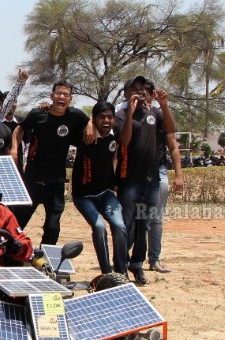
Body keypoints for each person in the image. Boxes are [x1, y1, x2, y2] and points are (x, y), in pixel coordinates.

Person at [12, 81, 90, 245]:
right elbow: (20, 129)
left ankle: (45, 259)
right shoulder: (38, 114)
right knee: (18, 223)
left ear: (70, 99)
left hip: (56, 183)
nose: (61, 96)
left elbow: (89, 120)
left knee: (53, 226)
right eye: (58, 93)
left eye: (66, 94)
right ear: (51, 96)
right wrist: (14, 149)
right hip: (33, 180)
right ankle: (8, 255)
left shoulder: (75, 116)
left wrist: (90, 124)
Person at [115, 75, 172, 285]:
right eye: (134, 89)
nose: (138, 92)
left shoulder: (153, 113)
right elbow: (124, 140)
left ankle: (137, 264)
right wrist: (130, 114)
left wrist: (164, 105)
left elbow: (170, 129)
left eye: (141, 88)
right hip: (129, 180)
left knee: (143, 225)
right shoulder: (121, 115)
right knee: (126, 225)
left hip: (151, 180)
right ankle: (121, 266)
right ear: (126, 93)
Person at [71, 101, 128, 275]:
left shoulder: (115, 135)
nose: (106, 120)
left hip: (106, 193)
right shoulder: (84, 135)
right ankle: (107, 274)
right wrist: (88, 123)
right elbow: (71, 115)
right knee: (99, 227)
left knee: (119, 225)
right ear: (95, 119)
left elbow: (125, 141)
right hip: (84, 196)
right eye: (101, 117)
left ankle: (121, 271)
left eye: (110, 117)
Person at [144, 81, 184, 274]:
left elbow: (173, 146)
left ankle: (154, 259)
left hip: (158, 172)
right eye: (138, 91)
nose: (142, 96)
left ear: (152, 96)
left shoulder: (160, 116)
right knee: (134, 218)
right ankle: (129, 259)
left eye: (146, 93)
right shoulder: (127, 115)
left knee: (155, 218)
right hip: (134, 175)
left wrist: (178, 175)